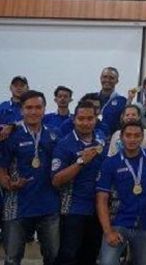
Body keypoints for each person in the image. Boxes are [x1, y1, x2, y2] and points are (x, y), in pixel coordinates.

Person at [0, 90, 60, 264]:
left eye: (38, 107)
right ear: (21, 110)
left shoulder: (54, 134)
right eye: (29, 108)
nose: (33, 112)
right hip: (17, 206)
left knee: (53, 257)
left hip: (49, 206)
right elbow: (2, 168)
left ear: (44, 109)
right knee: (12, 258)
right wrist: (9, 184)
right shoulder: (10, 136)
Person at [96, 121, 146, 265]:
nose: (132, 139)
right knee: (107, 263)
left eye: (137, 135)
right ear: (122, 137)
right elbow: (101, 199)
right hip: (119, 223)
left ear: (142, 137)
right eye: (128, 135)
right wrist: (108, 231)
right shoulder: (110, 163)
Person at [51, 99, 106, 265]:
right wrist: (81, 162)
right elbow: (56, 180)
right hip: (72, 211)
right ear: (74, 119)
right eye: (81, 119)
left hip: (97, 211)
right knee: (68, 257)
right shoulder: (64, 144)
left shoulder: (101, 144)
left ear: (96, 119)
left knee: (90, 256)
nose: (85, 123)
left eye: (90, 118)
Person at [96, 67, 128, 136]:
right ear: (100, 78)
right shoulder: (92, 98)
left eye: (111, 78)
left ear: (117, 81)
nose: (107, 80)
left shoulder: (122, 101)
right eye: (105, 77)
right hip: (91, 139)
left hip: (111, 140)